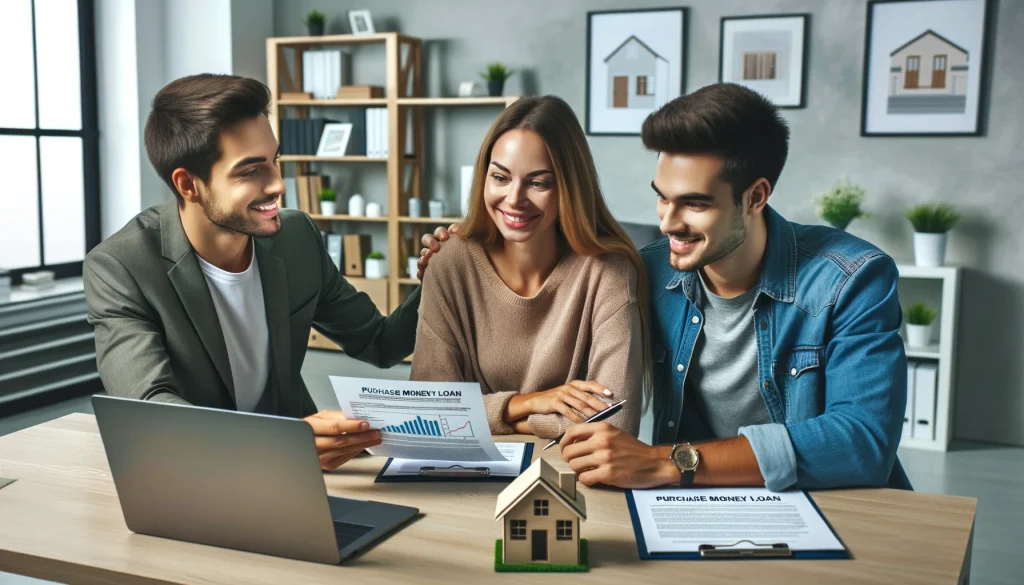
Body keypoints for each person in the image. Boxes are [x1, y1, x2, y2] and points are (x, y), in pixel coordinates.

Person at [419, 83, 911, 492]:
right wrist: (453, 258)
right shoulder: (651, 271)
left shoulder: (851, 279)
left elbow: (861, 443)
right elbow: (425, 412)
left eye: (694, 204)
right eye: (662, 199)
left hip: (838, 503)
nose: (668, 223)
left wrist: (670, 462)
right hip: (699, 503)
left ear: (755, 196)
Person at [83, 74, 419, 470]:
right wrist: (282, 443)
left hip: (306, 477)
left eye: (274, 160)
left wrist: (441, 277)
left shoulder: (298, 238)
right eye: (250, 171)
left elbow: (379, 343)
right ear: (188, 184)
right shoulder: (121, 267)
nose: (279, 184)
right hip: (200, 478)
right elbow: (149, 413)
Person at [410, 96, 649, 439]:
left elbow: (614, 426)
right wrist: (528, 403)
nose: (514, 199)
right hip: (461, 477)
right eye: (500, 177)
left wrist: (489, 419)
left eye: (538, 183)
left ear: (568, 187)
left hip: (572, 478)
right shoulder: (450, 261)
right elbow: (428, 412)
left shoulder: (608, 272)